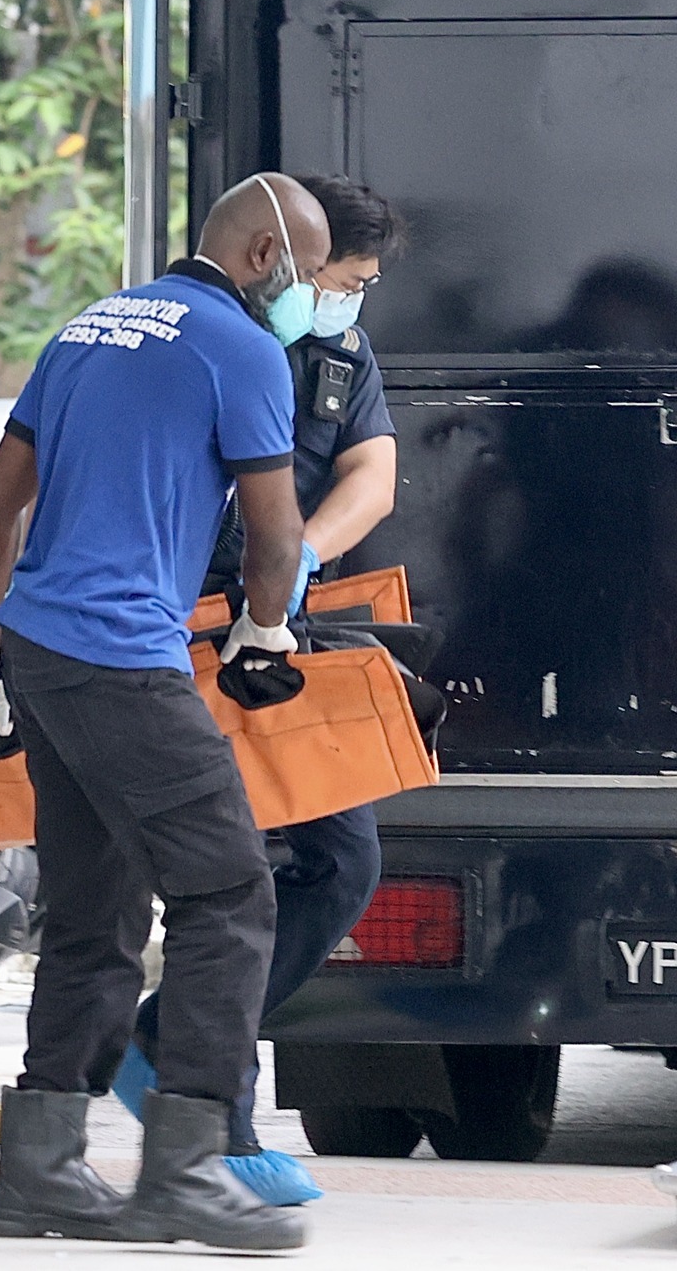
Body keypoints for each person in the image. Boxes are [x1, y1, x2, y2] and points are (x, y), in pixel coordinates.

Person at [0, 174, 331, 1252]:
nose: (308, 296)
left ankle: (39, 1170)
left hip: (40, 647)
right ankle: (188, 1163)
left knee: (94, 911)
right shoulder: (243, 347)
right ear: (263, 253)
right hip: (123, 655)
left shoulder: (89, 325)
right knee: (228, 892)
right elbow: (273, 534)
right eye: (304, 270)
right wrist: (265, 635)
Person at [115, 174, 405, 1206]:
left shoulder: (337, 355)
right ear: (285, 254)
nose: (347, 301)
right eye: (340, 279)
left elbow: (371, 472)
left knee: (337, 857)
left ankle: (159, 1050)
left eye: (361, 285)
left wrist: (299, 564)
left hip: (273, 638)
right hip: (167, 636)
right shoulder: (189, 332)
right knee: (222, 880)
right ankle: (213, 1113)